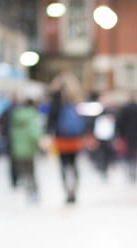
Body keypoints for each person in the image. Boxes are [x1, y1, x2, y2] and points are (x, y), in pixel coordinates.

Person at [47, 72, 86, 204]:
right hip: (74, 138)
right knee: (74, 165)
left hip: (61, 138)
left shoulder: (56, 99)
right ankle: (74, 190)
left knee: (64, 166)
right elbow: (83, 119)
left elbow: (51, 118)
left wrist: (48, 134)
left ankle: (67, 191)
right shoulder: (76, 98)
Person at [9, 98, 43, 202]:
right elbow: (34, 132)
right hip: (29, 149)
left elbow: (12, 133)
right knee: (31, 172)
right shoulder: (32, 115)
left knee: (24, 173)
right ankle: (34, 192)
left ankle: (28, 193)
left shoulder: (16, 116)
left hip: (18, 149)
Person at [116, 93, 137, 184]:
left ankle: (131, 171)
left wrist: (120, 134)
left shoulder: (125, 109)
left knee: (128, 154)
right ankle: (135, 171)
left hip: (127, 136)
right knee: (136, 154)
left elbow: (119, 123)